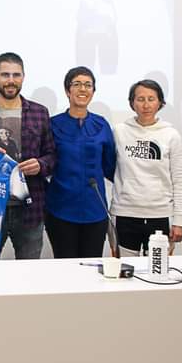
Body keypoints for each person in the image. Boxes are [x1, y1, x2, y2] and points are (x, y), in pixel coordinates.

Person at [0, 52, 55, 259]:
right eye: (5, 75)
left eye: (16, 75)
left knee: (29, 276)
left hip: (30, 209)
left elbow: (52, 155)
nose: (11, 80)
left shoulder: (39, 112)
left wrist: (41, 165)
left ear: (23, 77)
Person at [110, 79, 182, 256]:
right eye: (140, 99)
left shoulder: (171, 134)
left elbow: (179, 179)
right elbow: (109, 167)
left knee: (159, 272)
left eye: (151, 99)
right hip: (125, 213)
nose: (146, 105)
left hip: (160, 215)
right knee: (124, 272)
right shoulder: (119, 131)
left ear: (160, 102)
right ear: (132, 103)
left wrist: (179, 220)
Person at [44, 67, 116, 259]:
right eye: (77, 84)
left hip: (95, 209)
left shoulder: (102, 125)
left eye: (88, 85)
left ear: (93, 91)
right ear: (68, 91)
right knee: (65, 269)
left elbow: (110, 165)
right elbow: (45, 162)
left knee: (92, 270)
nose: (82, 89)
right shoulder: (52, 124)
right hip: (60, 209)